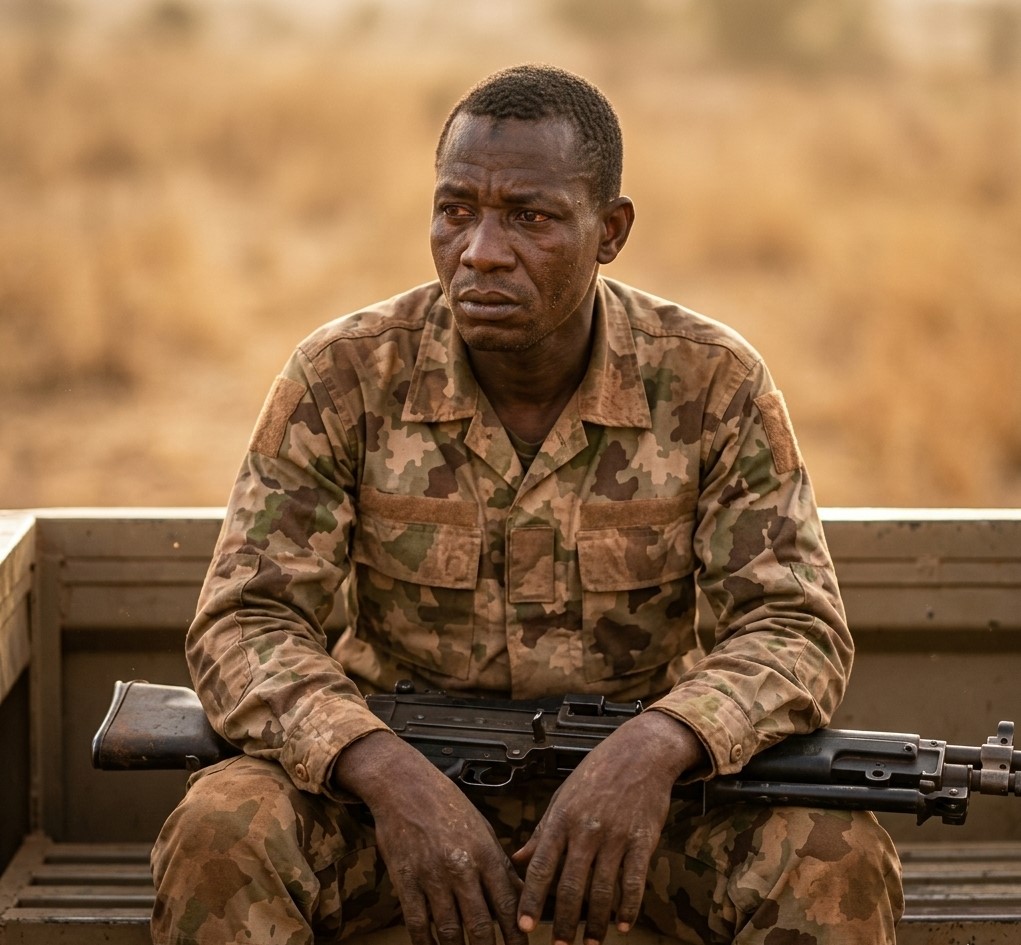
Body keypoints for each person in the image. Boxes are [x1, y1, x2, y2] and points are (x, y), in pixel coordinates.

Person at [151, 64, 903, 945]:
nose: (480, 250)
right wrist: (385, 772)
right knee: (219, 829)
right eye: (456, 209)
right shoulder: (344, 375)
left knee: (834, 852)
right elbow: (246, 621)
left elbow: (794, 626)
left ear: (609, 230)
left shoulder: (709, 382)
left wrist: (656, 747)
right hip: (387, 797)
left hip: (637, 805)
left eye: (530, 217)